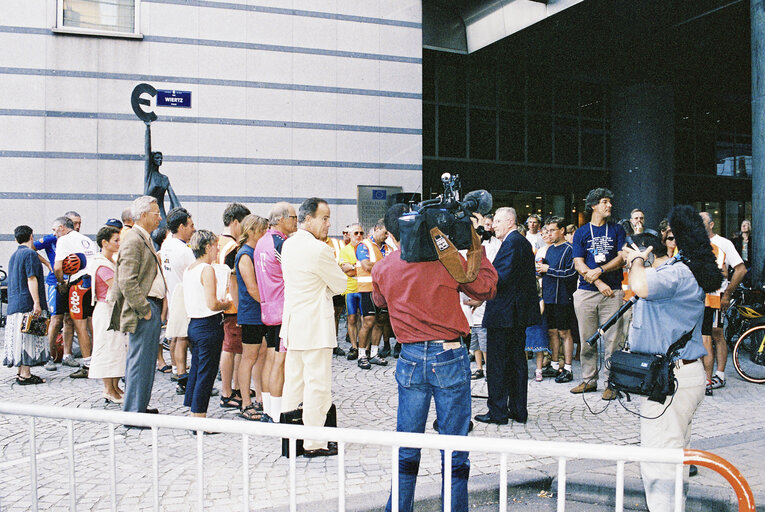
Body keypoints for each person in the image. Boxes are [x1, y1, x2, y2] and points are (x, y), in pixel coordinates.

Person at [373, 203, 497, 511]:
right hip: (449, 354)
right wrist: (472, 243)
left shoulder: (384, 267)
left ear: (392, 233)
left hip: (410, 357)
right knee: (454, 444)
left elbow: (379, 300)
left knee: (407, 442)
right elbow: (485, 287)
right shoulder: (447, 259)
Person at [622, 205, 721, 512]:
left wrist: (636, 258)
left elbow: (639, 284)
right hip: (684, 377)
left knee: (660, 464)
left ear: (677, 237)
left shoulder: (678, 273)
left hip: (669, 382)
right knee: (675, 459)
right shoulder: (688, 270)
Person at [280, 197, 348, 457]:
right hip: (316, 327)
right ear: (307, 219)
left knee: (294, 383)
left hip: (294, 325)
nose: (328, 223)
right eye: (324, 218)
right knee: (318, 384)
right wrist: (330, 281)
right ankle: (314, 442)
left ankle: (291, 438)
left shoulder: (288, 245)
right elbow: (340, 285)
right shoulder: (320, 250)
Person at [475, 207, 539, 425]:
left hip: (504, 316)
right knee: (516, 364)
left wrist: (479, 295)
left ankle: (498, 412)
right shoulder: (520, 243)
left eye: (498, 221)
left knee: (498, 365)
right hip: (515, 315)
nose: (493, 225)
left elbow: (498, 277)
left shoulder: (512, 243)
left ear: (510, 222)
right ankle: (518, 410)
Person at [108, 196, 166, 419]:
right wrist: (145, 309)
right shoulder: (134, 239)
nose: (159, 217)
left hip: (150, 306)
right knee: (140, 361)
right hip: (145, 308)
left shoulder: (142, 237)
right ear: (143, 215)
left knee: (145, 361)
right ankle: (133, 411)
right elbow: (127, 280)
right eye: (156, 213)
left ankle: (139, 407)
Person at [570, 188, 626, 400]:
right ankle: (588, 379)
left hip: (613, 293)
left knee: (614, 340)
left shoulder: (617, 230)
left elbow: (621, 258)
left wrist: (601, 270)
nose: (609, 205)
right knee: (587, 339)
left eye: (610, 201)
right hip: (587, 292)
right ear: (593, 205)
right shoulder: (582, 232)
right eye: (604, 201)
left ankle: (611, 382)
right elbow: (578, 263)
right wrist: (599, 282)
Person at [255, 202, 298, 423]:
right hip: (283, 310)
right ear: (280, 219)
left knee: (271, 360)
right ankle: (277, 413)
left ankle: (268, 409)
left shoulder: (261, 242)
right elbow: (294, 274)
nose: (296, 222)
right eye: (293, 217)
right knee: (280, 362)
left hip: (267, 308)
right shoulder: (282, 244)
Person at [183, 230, 233, 418]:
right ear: (207, 247)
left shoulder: (190, 269)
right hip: (208, 324)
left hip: (194, 324)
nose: (218, 250)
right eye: (215, 246)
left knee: (197, 367)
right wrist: (226, 303)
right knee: (206, 372)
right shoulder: (207, 269)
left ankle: (192, 404)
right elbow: (212, 303)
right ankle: (199, 416)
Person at [699, 212, 745, 395]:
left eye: (701, 221)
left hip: (716, 296)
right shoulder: (695, 243)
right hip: (699, 298)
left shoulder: (724, 243)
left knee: (716, 334)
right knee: (705, 335)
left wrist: (727, 294)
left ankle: (719, 374)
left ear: (711, 224)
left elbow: (740, 270)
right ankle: (705, 375)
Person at [53, 214, 98, 378]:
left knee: (80, 325)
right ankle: (99, 360)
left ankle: (87, 365)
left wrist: (61, 283)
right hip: (92, 283)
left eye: (54, 230)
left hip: (78, 285)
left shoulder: (63, 240)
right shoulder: (86, 239)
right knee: (93, 324)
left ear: (61, 228)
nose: (54, 234)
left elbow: (58, 267)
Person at [234, 214, 270, 420]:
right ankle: (245, 402)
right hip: (252, 313)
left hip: (258, 312)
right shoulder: (245, 255)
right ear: (253, 231)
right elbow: (252, 288)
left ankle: (259, 397)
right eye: (263, 230)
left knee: (260, 354)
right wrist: (268, 304)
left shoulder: (253, 252)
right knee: (248, 358)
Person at [88, 226, 129, 403]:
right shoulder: (101, 264)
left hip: (113, 309)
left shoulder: (110, 261)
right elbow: (117, 286)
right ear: (104, 243)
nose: (119, 243)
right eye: (115, 240)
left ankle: (115, 386)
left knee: (117, 348)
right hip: (106, 310)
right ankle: (108, 389)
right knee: (108, 349)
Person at [3, 225, 48, 384]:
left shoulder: (15, 255)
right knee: (28, 337)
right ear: (31, 236)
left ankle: (20, 371)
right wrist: (37, 302)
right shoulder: (30, 254)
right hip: (27, 302)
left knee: (20, 337)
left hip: (15, 303)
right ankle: (26, 374)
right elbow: (32, 278)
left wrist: (47, 264)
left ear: (16, 239)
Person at [217, 203, 251, 400]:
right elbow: (234, 279)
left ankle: (233, 388)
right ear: (236, 222)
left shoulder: (217, 241)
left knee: (232, 347)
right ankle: (229, 391)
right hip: (233, 305)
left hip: (222, 303)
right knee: (231, 349)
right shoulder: (234, 247)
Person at [537, 216, 576, 383]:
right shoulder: (549, 249)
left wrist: (548, 269)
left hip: (563, 297)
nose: (550, 233)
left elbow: (571, 273)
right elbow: (545, 271)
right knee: (552, 331)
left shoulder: (570, 249)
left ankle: (567, 367)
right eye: (547, 231)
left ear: (562, 230)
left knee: (564, 332)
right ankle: (554, 365)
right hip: (549, 295)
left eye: (553, 230)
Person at [160, 207, 196, 383]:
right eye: (190, 225)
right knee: (182, 337)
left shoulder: (166, 244)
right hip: (184, 297)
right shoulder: (185, 251)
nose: (193, 229)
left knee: (175, 335)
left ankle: (176, 367)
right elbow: (195, 273)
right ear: (181, 226)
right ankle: (181, 374)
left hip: (171, 294)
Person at [35, 218, 73, 372]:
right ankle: (48, 356)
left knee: (69, 319)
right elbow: (31, 247)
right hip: (55, 282)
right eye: (75, 223)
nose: (77, 226)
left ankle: (67, 355)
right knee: (56, 319)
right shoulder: (51, 238)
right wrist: (46, 263)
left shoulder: (74, 239)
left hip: (71, 281)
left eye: (79, 224)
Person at [355, 219, 389, 369]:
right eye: (384, 232)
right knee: (368, 321)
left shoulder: (388, 247)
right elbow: (366, 265)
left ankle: (374, 353)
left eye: (388, 233)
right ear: (376, 229)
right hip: (367, 288)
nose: (387, 236)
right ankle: (362, 355)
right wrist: (386, 265)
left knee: (381, 321)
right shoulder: (364, 245)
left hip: (383, 290)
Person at [339, 223, 364, 360]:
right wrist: (358, 267)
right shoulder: (345, 250)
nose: (359, 236)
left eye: (361, 233)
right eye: (356, 233)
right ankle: (354, 347)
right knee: (352, 318)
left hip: (364, 288)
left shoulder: (366, 248)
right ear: (350, 235)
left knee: (364, 319)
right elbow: (346, 270)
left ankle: (363, 346)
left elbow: (367, 268)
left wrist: (353, 267)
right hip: (350, 289)